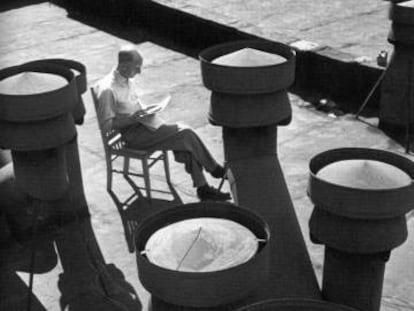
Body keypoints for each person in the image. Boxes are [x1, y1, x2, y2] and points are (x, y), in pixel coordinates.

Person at [95, 45, 230, 201]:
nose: (139, 72)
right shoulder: (108, 90)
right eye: (137, 68)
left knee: (185, 143)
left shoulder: (127, 79)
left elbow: (132, 107)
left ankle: (203, 188)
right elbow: (106, 126)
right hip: (132, 136)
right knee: (186, 133)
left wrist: (148, 110)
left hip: (143, 126)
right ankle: (214, 169)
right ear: (124, 66)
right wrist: (133, 118)